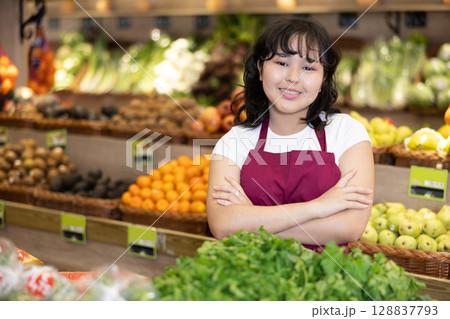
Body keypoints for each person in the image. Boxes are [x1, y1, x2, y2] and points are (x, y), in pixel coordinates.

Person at [206, 17, 374, 251]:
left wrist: (253, 219)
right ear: (260, 69)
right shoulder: (234, 141)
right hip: (249, 280)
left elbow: (350, 226)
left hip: (328, 282)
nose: (293, 76)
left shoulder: (346, 132)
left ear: (323, 78)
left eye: (308, 67)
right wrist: (317, 207)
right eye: (282, 63)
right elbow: (223, 224)